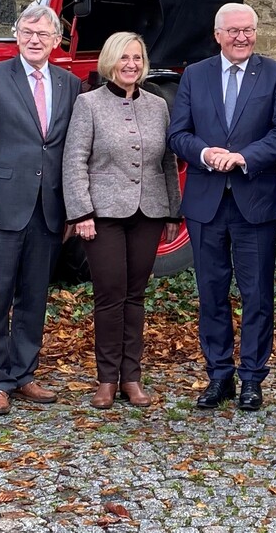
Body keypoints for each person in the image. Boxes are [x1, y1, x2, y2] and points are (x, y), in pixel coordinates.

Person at [168, 3, 276, 412]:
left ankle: (253, 379)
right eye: (234, 30)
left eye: (248, 30)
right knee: (211, 292)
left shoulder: (275, 75)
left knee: (257, 293)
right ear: (218, 34)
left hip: (254, 201)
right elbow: (178, 133)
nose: (242, 37)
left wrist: (243, 157)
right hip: (206, 202)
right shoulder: (195, 75)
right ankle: (218, 374)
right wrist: (206, 153)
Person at [0, 3, 79, 416]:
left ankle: (24, 373)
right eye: (28, 32)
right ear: (16, 36)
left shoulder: (70, 84)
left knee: (34, 296)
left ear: (56, 42)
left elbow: (71, 152)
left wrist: (73, 209)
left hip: (48, 209)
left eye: (43, 34)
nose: (34, 40)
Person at [63, 32, 182, 409]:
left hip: (148, 212)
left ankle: (132, 378)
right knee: (110, 295)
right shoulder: (89, 105)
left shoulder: (158, 106)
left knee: (135, 295)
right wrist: (80, 211)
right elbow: (74, 161)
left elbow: (167, 162)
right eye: (124, 58)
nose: (131, 64)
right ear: (110, 61)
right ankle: (106, 380)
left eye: (137, 58)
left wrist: (173, 210)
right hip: (103, 216)